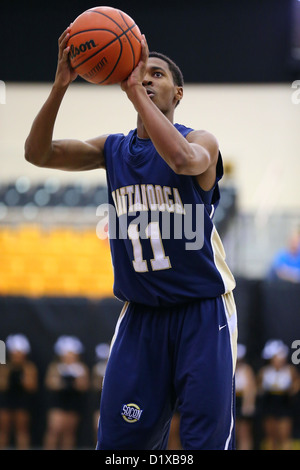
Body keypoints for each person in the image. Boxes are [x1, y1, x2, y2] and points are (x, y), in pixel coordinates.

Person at [24, 26, 237, 450]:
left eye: (156, 74)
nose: (146, 78)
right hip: (141, 315)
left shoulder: (201, 141)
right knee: (121, 444)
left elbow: (179, 160)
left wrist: (133, 91)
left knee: (203, 443)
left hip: (201, 311)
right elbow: (38, 153)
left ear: (178, 93)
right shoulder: (113, 149)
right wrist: (61, 85)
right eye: (142, 72)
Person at [43, 335, 90, 450]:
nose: (69, 357)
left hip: (73, 403)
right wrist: (63, 383)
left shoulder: (81, 369)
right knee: (55, 429)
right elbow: (50, 383)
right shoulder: (55, 367)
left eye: (72, 354)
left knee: (69, 433)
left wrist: (74, 382)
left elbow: (84, 386)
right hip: (58, 402)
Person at [257, 339, 300, 450]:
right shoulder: (265, 371)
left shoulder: (290, 370)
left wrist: (290, 391)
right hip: (269, 404)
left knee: (284, 436)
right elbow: (259, 387)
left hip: (284, 405)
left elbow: (296, 384)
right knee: (271, 437)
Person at [0, 334, 38, 449]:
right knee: (3, 430)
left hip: (22, 402)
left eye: (20, 352)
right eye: (15, 352)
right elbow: (2, 385)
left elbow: (31, 387)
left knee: (22, 430)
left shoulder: (29, 367)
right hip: (6, 401)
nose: (17, 355)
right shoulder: (4, 367)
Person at [235, 344, 257, 450]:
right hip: (231, 402)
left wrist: (248, 404)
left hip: (242, 402)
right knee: (233, 432)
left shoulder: (246, 370)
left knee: (244, 433)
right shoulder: (227, 367)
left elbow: (251, 389)